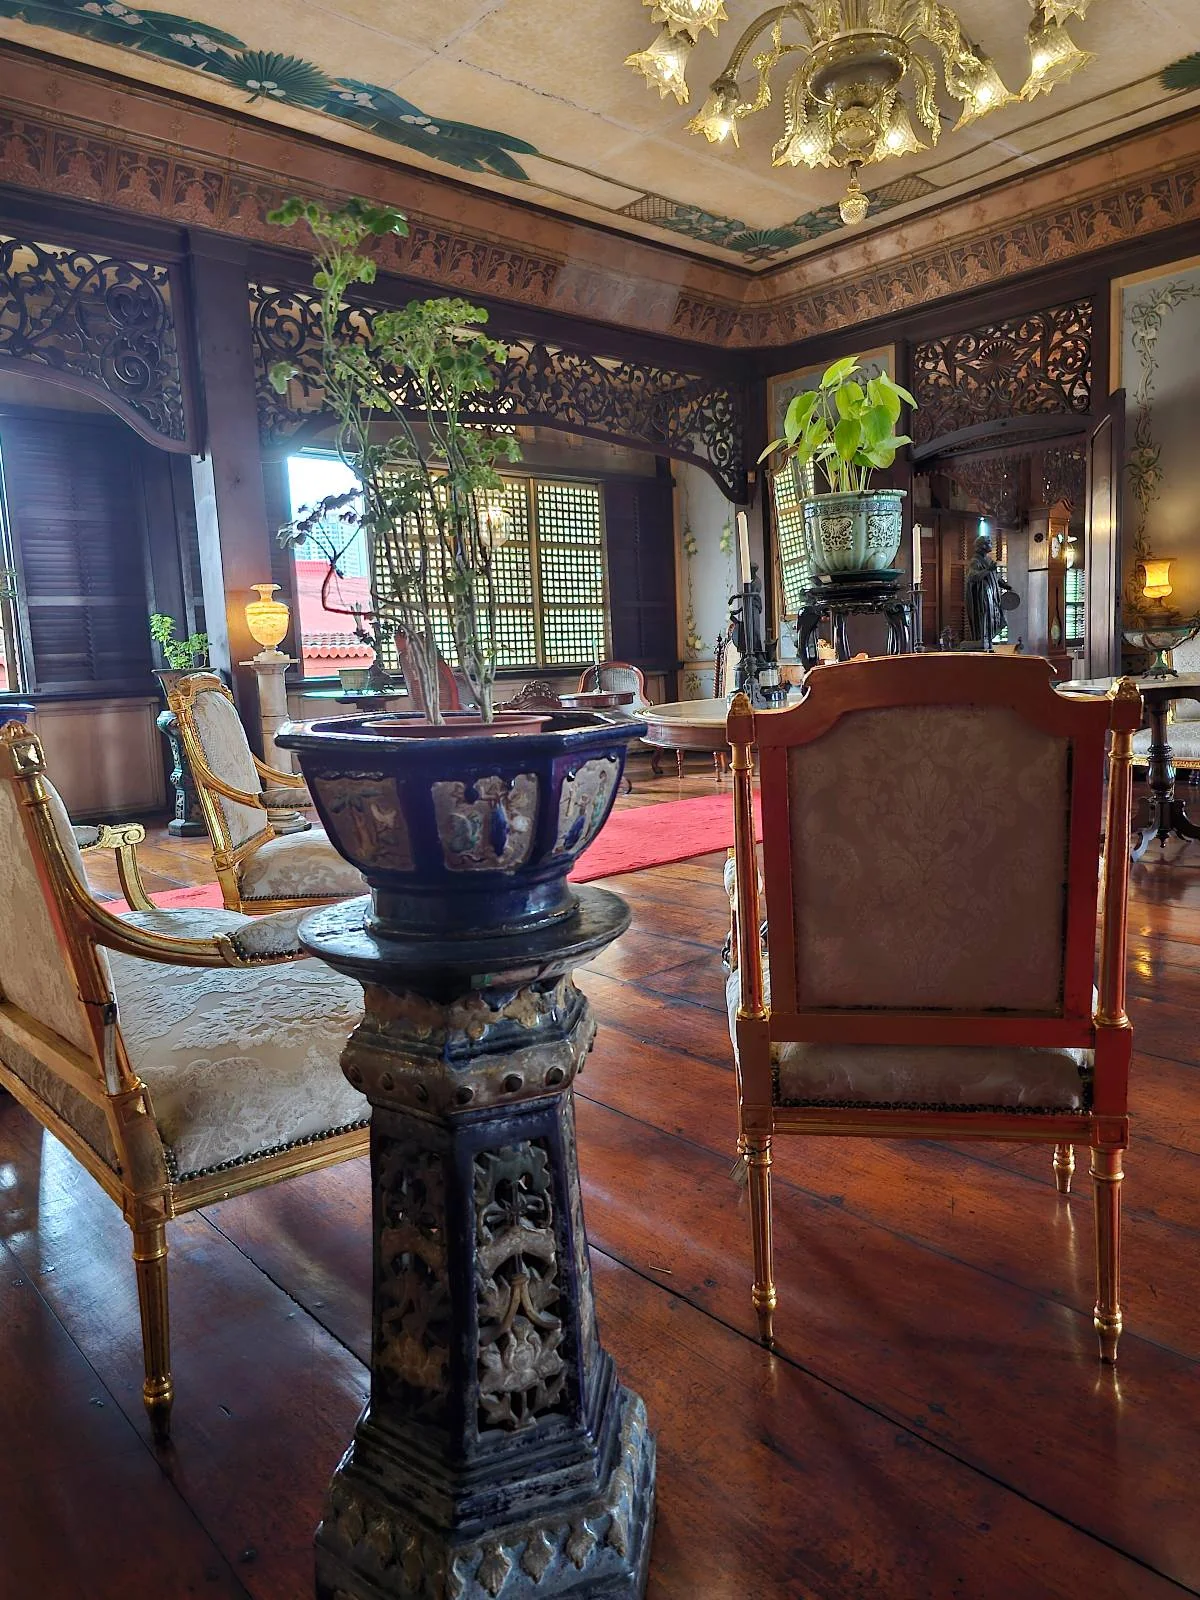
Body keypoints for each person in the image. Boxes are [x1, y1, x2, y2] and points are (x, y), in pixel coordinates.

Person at [964, 533, 1018, 650]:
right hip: (982, 598)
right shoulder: (975, 561)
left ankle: (989, 643)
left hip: (992, 597)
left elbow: (995, 577)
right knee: (985, 621)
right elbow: (972, 577)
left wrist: (1005, 586)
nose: (991, 544)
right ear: (981, 546)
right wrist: (988, 570)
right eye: (988, 542)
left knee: (994, 620)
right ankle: (983, 643)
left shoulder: (988, 560)